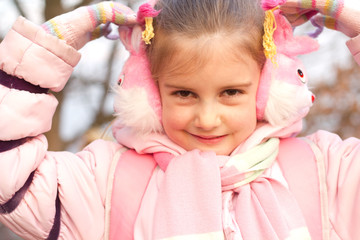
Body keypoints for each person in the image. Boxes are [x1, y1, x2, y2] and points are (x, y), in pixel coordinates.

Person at [0, 0, 359, 239]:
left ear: (268, 88)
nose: (206, 119)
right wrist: (42, 52)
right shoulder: (106, 180)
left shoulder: (327, 171)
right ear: (150, 93)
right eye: (184, 93)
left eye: (231, 92)